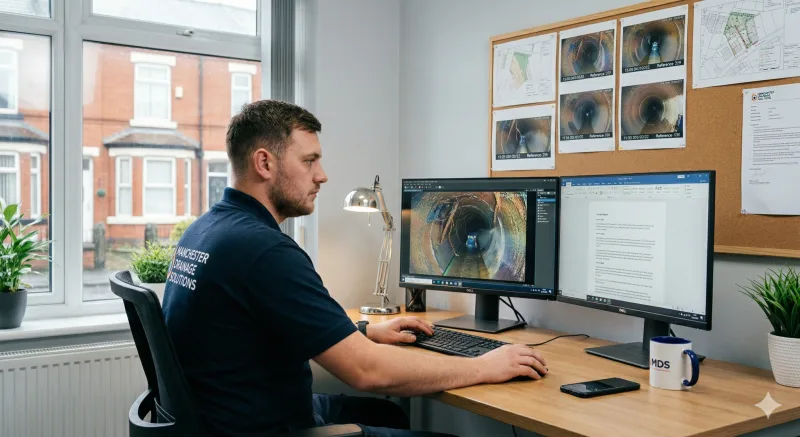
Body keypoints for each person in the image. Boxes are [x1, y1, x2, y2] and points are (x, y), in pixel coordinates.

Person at [161, 100, 548, 437]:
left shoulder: (207, 230)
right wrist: (483, 366)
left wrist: (365, 332)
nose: (322, 175)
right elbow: (367, 372)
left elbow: (263, 327)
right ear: (264, 162)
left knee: (389, 413)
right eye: (309, 160)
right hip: (272, 429)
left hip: (231, 419)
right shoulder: (264, 251)